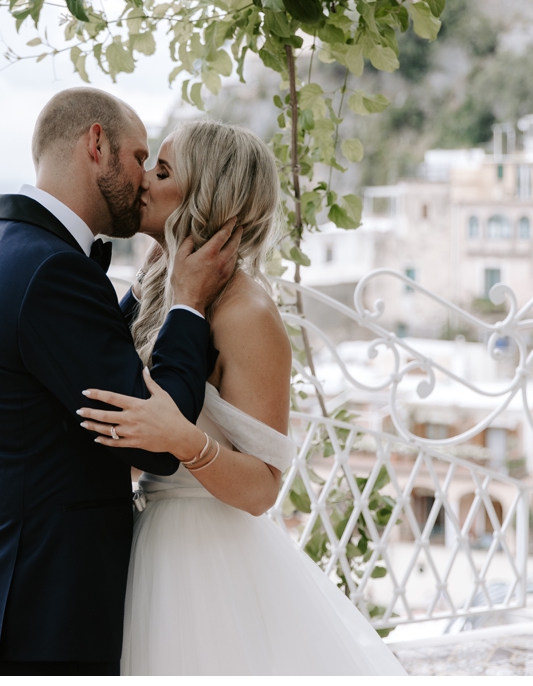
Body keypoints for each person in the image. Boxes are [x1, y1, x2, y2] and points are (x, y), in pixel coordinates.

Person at [75, 120, 407, 675]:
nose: (141, 182)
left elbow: (262, 488)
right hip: (148, 542)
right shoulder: (159, 285)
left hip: (206, 560)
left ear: (205, 196)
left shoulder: (247, 314)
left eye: (161, 171)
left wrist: (184, 440)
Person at [0, 88, 238, 675]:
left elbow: (74, 359)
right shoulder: (52, 269)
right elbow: (155, 434)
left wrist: (144, 292)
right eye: (138, 158)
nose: (144, 179)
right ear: (96, 144)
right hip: (43, 604)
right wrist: (188, 303)